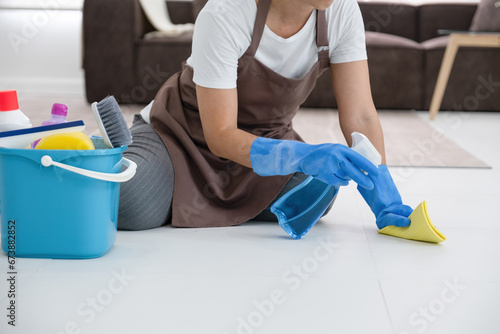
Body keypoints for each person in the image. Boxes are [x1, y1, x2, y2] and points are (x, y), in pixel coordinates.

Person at [117, 0, 413, 231]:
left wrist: (382, 190)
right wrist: (301, 156)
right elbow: (220, 135)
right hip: (181, 138)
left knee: (317, 197)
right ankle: (112, 152)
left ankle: (183, 199)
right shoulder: (225, 13)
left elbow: (360, 115)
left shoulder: (342, 12)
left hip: (267, 147)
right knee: (129, 204)